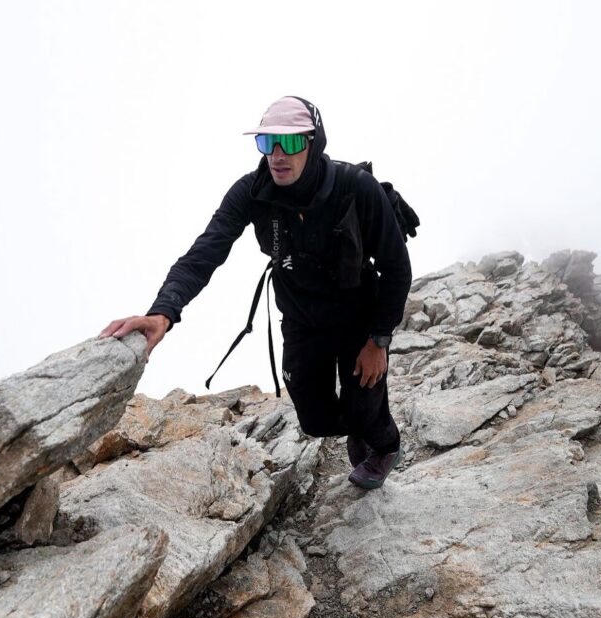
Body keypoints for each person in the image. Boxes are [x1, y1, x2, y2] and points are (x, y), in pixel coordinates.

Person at [100, 96, 412, 490]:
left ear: (314, 144)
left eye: (291, 143)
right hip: (302, 317)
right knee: (314, 420)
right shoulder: (252, 192)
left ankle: (384, 445)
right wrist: (163, 312)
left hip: (358, 316)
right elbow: (204, 252)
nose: (278, 155)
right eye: (267, 143)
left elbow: (398, 269)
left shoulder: (356, 188)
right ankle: (358, 422)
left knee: (365, 406)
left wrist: (379, 340)